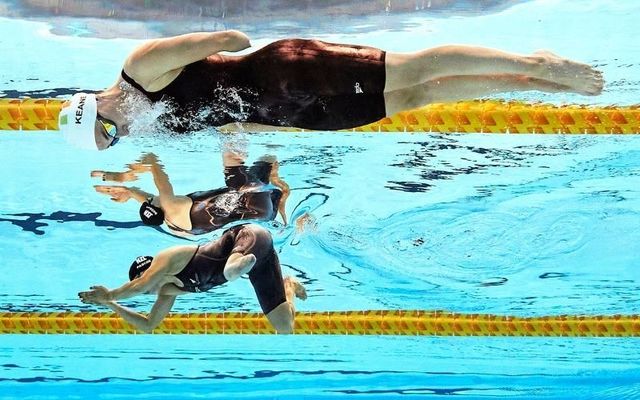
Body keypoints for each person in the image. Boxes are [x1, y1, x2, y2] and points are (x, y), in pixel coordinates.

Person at [58, 30, 604, 150]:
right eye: (114, 140)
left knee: (411, 69)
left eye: (108, 126)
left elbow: (229, 39)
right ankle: (522, 81)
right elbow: (228, 121)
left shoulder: (138, 70)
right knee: (412, 98)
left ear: (95, 104)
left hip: (290, 73)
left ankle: (535, 63)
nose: (122, 130)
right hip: (291, 112)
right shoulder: (150, 121)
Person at [78, 224, 307, 333]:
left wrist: (110, 293)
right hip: (261, 261)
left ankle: (240, 265)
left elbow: (141, 284)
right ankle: (289, 285)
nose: (148, 291)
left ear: (148, 271)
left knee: (230, 272)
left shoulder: (168, 259)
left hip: (248, 237)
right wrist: (110, 303)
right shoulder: (168, 290)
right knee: (285, 327)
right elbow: (148, 325)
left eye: (145, 281)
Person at [92, 151, 290, 235]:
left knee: (261, 174)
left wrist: (131, 193)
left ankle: (278, 191)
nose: (153, 198)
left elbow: (152, 202)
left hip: (264, 214)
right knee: (233, 160)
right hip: (249, 196)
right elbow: (152, 161)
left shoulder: (172, 222)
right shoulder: (169, 204)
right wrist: (124, 176)